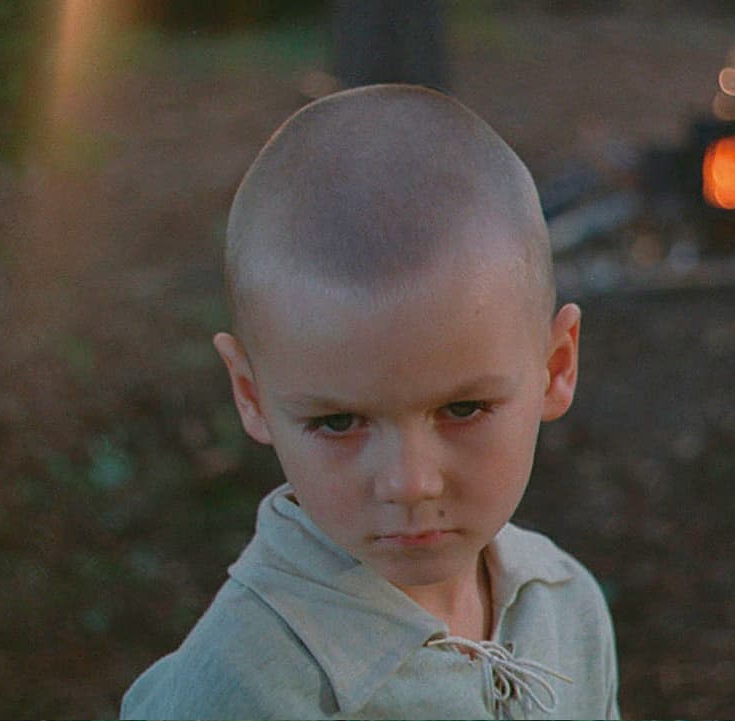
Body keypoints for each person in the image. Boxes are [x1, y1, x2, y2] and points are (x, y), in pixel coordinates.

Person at [120, 84, 620, 720]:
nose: (409, 483)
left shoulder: (567, 607)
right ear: (250, 394)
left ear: (555, 367)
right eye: (337, 422)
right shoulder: (243, 690)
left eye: (463, 409)